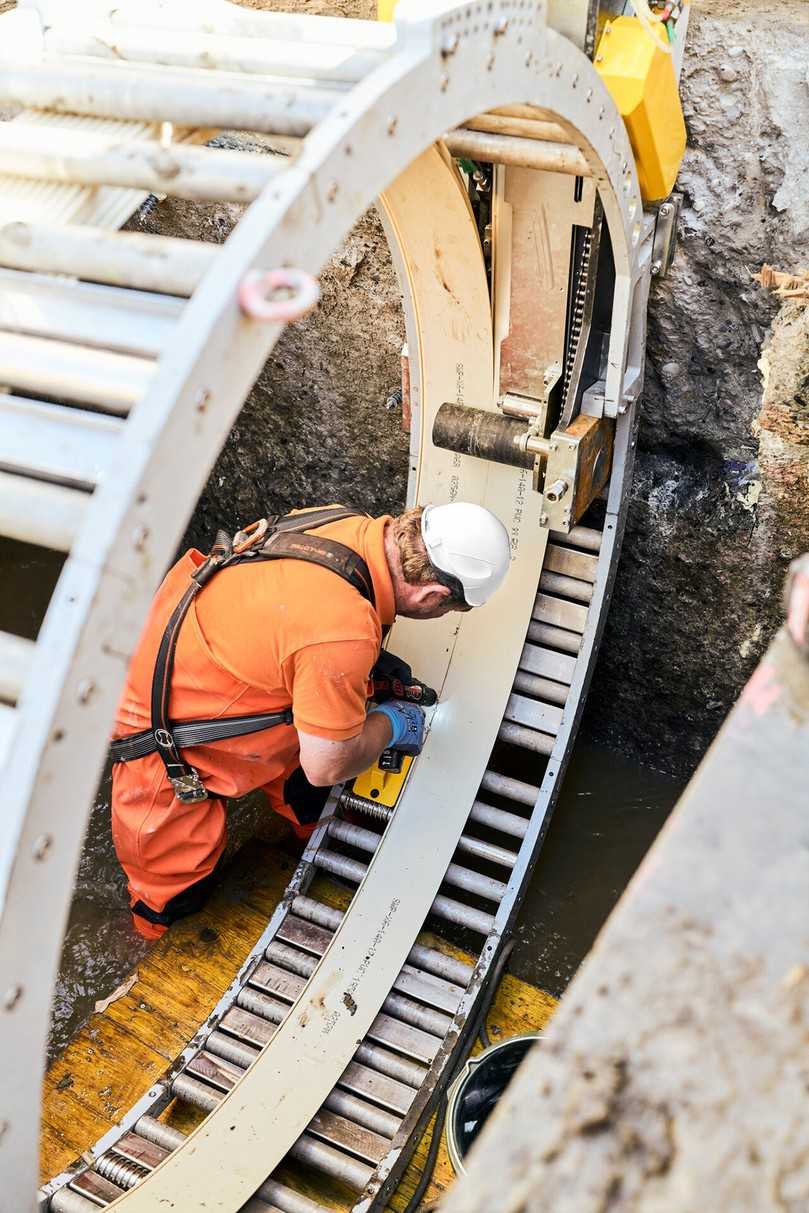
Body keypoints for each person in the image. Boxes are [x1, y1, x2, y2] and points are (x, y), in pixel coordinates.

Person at [111, 502, 511, 939]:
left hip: (219, 665)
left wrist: (365, 669)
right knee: (172, 896)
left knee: (308, 791)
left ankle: (315, 844)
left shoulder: (344, 523)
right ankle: (149, 942)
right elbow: (327, 767)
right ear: (432, 595)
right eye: (448, 610)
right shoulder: (343, 633)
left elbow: (293, 629)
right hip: (161, 737)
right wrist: (391, 724)